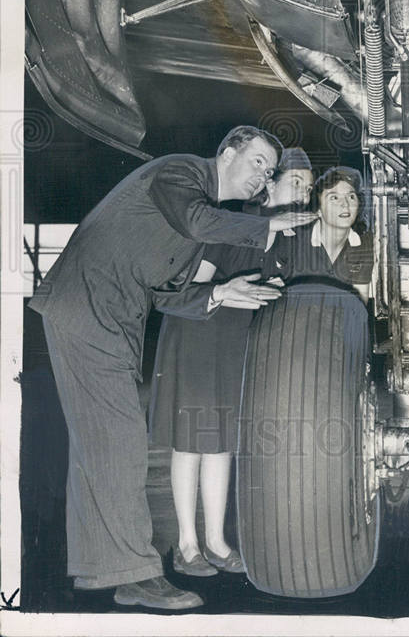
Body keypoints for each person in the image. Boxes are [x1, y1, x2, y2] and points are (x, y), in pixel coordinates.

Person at [28, 126, 312, 611]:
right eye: (258, 161)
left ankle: (108, 568)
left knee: (103, 446)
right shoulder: (180, 173)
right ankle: (136, 575)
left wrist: (221, 293)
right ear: (226, 154)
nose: (263, 176)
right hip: (88, 307)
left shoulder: (197, 226)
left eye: (269, 170)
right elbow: (199, 222)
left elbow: (167, 294)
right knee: (119, 442)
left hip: (112, 318)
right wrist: (267, 227)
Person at [149, 148, 316, 578]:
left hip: (236, 346)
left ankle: (216, 541)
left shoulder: (291, 240)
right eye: (295, 182)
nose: (304, 192)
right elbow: (193, 284)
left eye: (309, 186)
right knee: (189, 442)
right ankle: (187, 544)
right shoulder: (231, 222)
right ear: (270, 187)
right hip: (197, 338)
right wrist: (228, 290)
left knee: (221, 443)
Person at [280, 166, 374, 302]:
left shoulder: (364, 245)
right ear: (318, 209)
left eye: (351, 196)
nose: (345, 205)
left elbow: (359, 307)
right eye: (334, 197)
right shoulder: (293, 240)